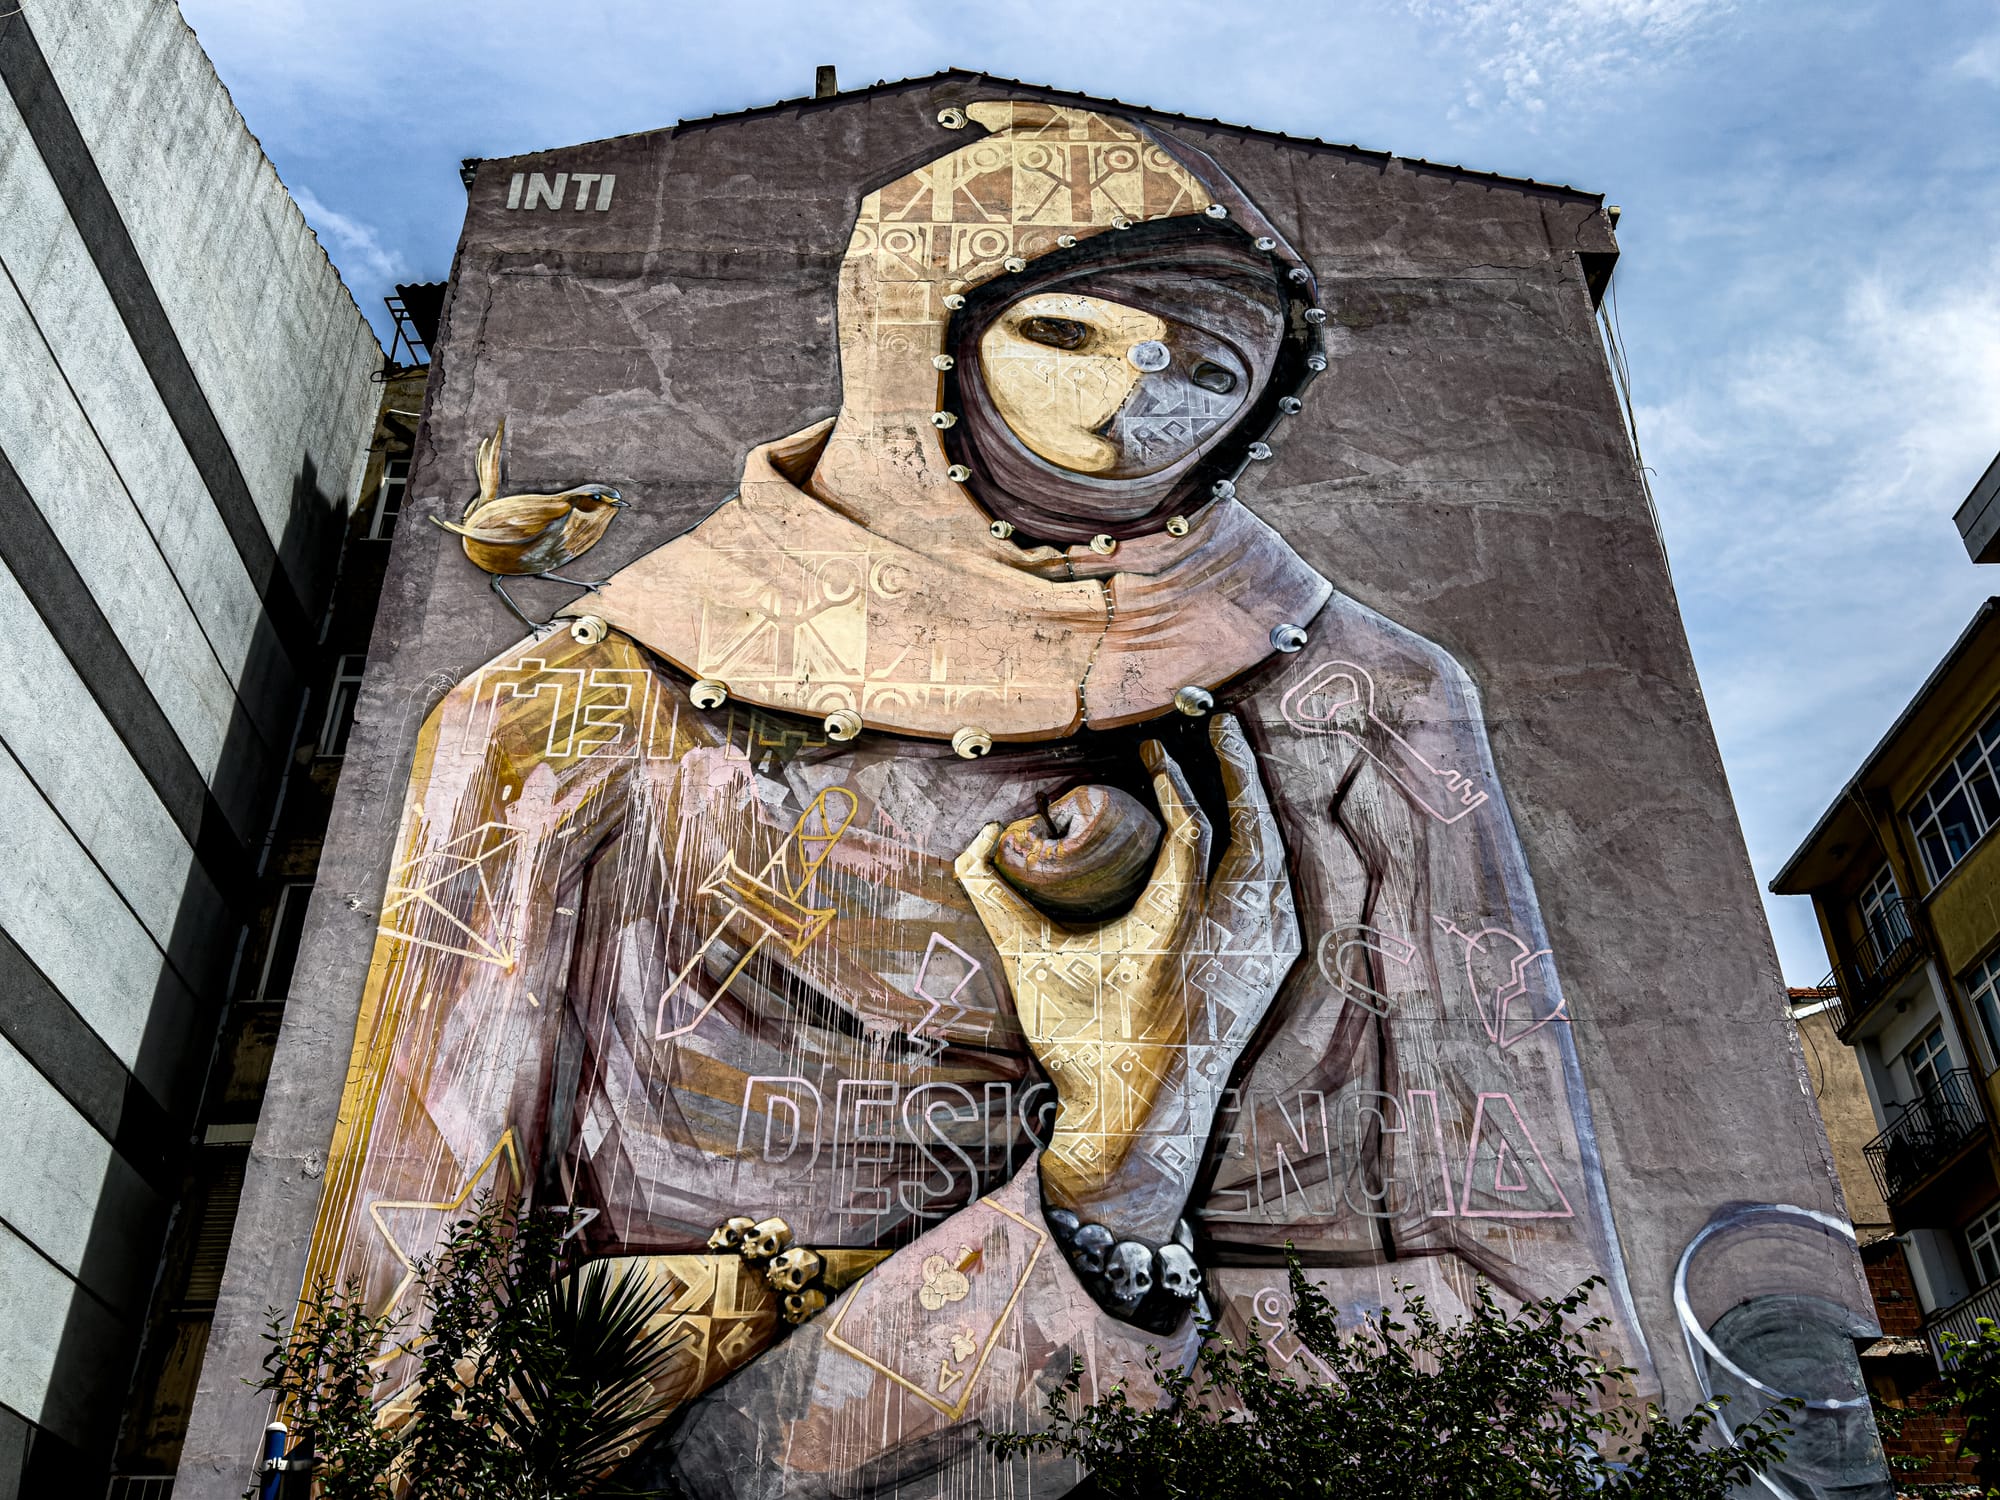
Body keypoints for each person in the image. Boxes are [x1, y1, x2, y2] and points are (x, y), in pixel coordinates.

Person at [304, 100, 1650, 1498]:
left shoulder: (1366, 701)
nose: (1129, 410)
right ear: (916, 335)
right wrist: (1109, 1184)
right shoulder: (558, 713)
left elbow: (1542, 1343)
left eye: (1206, 369)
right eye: (1063, 333)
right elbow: (393, 1397)